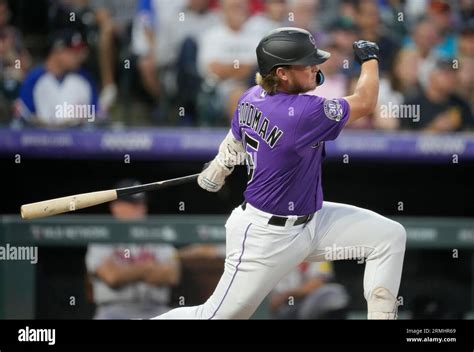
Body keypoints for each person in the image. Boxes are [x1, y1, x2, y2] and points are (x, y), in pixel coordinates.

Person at [154, 27, 406, 320]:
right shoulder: (303, 112)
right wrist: (371, 59)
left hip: (313, 222)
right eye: (307, 63)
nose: (316, 66)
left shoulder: (251, 96)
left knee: (389, 237)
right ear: (282, 73)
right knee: (213, 317)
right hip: (266, 236)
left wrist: (219, 167)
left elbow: (235, 140)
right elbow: (365, 101)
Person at [86, 179, 181, 319]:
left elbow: (172, 275)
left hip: (155, 309)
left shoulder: (156, 233)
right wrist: (149, 268)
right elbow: (112, 277)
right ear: (115, 206)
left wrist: (128, 271)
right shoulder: (103, 234)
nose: (139, 209)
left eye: (141, 203)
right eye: (132, 204)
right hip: (113, 310)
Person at [270, 261, 349, 319]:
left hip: (311, 303)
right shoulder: (280, 258)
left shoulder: (319, 251)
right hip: (288, 309)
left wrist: (289, 294)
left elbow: (317, 283)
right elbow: (275, 303)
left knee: (335, 292)